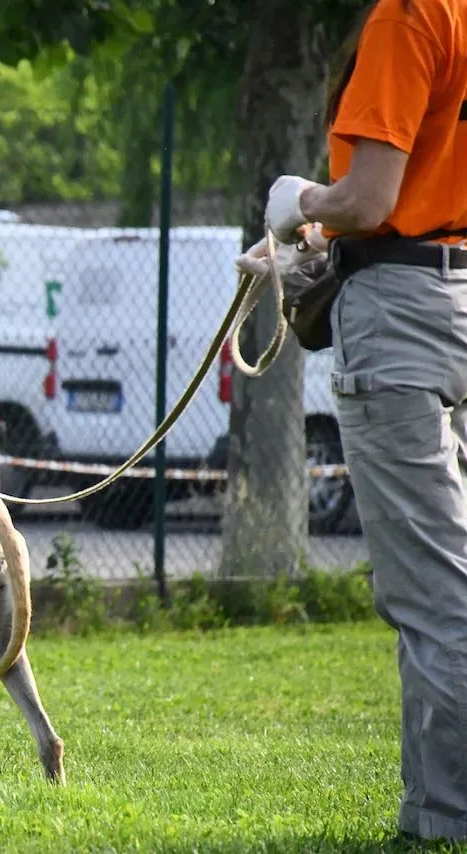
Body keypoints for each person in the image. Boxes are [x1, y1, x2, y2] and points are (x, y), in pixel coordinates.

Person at [239, 0, 467, 841]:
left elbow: (371, 203)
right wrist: (319, 240)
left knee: (437, 595)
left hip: (407, 321)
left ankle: (446, 822)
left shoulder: (414, 13)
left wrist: (302, 199)